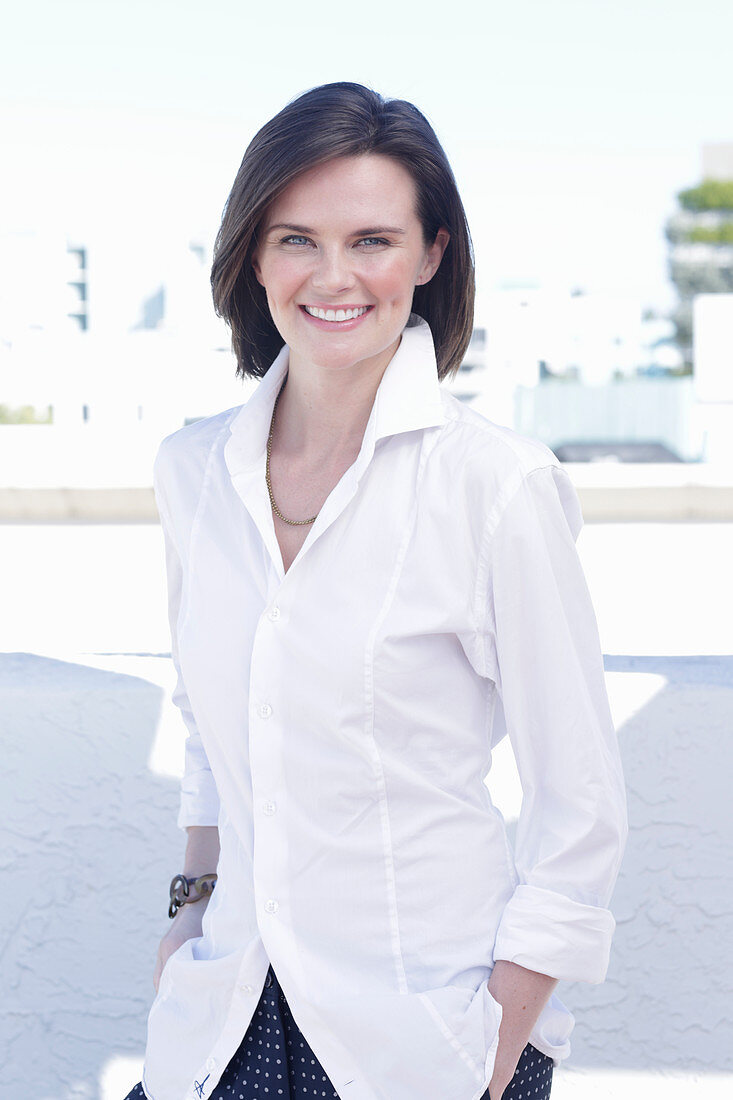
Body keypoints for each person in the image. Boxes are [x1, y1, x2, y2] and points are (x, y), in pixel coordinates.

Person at [123, 82, 627, 1100]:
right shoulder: (192, 471)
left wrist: (497, 1038)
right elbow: (212, 728)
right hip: (218, 1024)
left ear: (432, 255)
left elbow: (581, 799)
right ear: (253, 257)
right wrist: (186, 915)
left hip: (422, 1039)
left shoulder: (496, 484)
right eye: (296, 238)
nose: (334, 275)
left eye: (372, 239)